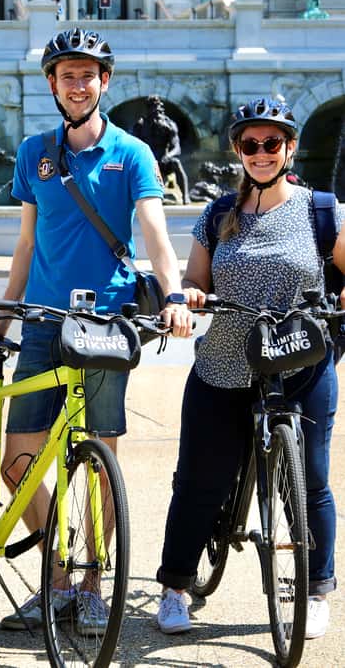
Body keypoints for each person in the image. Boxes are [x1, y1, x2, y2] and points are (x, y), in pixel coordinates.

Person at [0, 27, 192, 631]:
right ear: (52, 84)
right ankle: (57, 579)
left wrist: (171, 294)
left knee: (99, 459)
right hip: (41, 321)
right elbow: (24, 242)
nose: (78, 83)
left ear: (104, 82)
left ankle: (93, 583)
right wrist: (4, 311)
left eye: (88, 74)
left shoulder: (132, 153)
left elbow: (155, 233)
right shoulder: (34, 151)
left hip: (106, 323)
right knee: (18, 460)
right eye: (67, 74)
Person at [156, 96, 341, 640]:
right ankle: (176, 588)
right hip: (225, 364)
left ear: (289, 148)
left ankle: (314, 588)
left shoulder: (321, 210)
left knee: (310, 481)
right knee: (198, 482)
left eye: (272, 143)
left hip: (302, 362)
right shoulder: (218, 214)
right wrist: (187, 301)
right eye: (250, 144)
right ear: (239, 150)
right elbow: (196, 281)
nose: (261, 153)